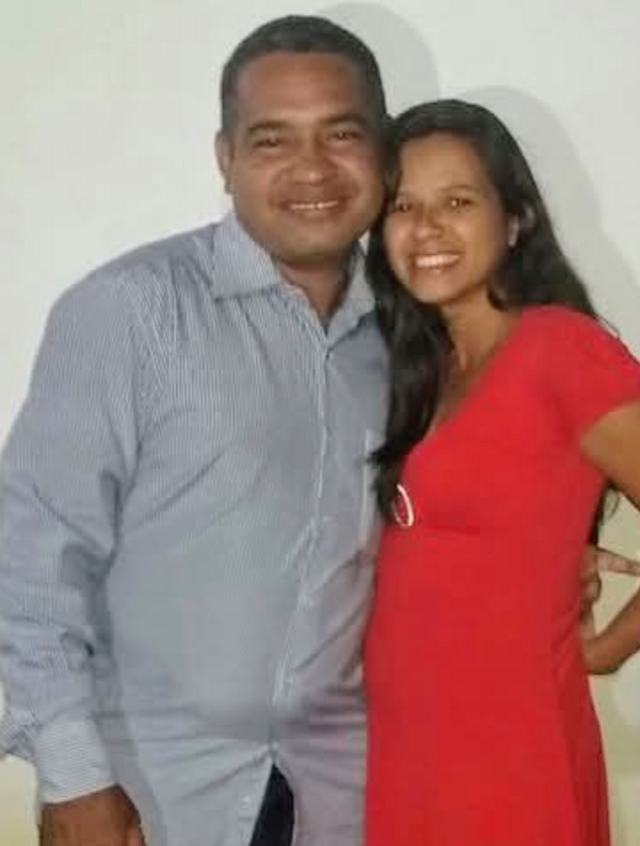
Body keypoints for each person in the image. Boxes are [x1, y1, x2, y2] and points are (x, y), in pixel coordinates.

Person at [0, 16, 632, 846]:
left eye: (340, 134)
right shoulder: (131, 312)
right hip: (158, 795)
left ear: (377, 151)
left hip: (346, 792)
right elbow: (31, 561)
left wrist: (554, 569)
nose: (311, 168)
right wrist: (74, 776)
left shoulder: (402, 349)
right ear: (225, 157)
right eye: (272, 139)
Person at [364, 99, 640, 846]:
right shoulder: (415, 367)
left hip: (513, 759)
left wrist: (611, 645)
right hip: (406, 754)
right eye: (402, 207)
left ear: (514, 220)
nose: (426, 228)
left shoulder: (561, 349)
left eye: (457, 202)